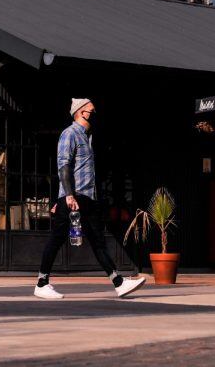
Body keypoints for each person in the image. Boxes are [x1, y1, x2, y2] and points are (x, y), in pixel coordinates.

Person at [34, 98, 146, 299]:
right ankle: (42, 283)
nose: (94, 115)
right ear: (80, 113)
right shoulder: (69, 134)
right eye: (91, 111)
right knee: (58, 238)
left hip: (88, 197)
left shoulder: (88, 137)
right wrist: (67, 195)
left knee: (97, 240)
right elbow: (64, 166)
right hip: (74, 197)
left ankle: (118, 283)